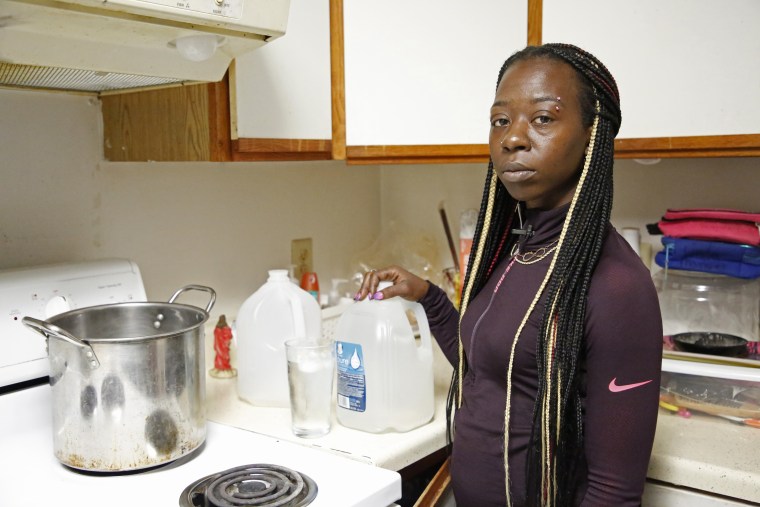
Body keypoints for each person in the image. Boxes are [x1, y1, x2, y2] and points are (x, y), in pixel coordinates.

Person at [355, 43, 663, 507]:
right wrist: (429, 298)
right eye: (501, 120)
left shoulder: (617, 285)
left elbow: (613, 493)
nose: (512, 138)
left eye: (543, 118)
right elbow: (493, 377)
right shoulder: (513, 249)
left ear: (591, 134)